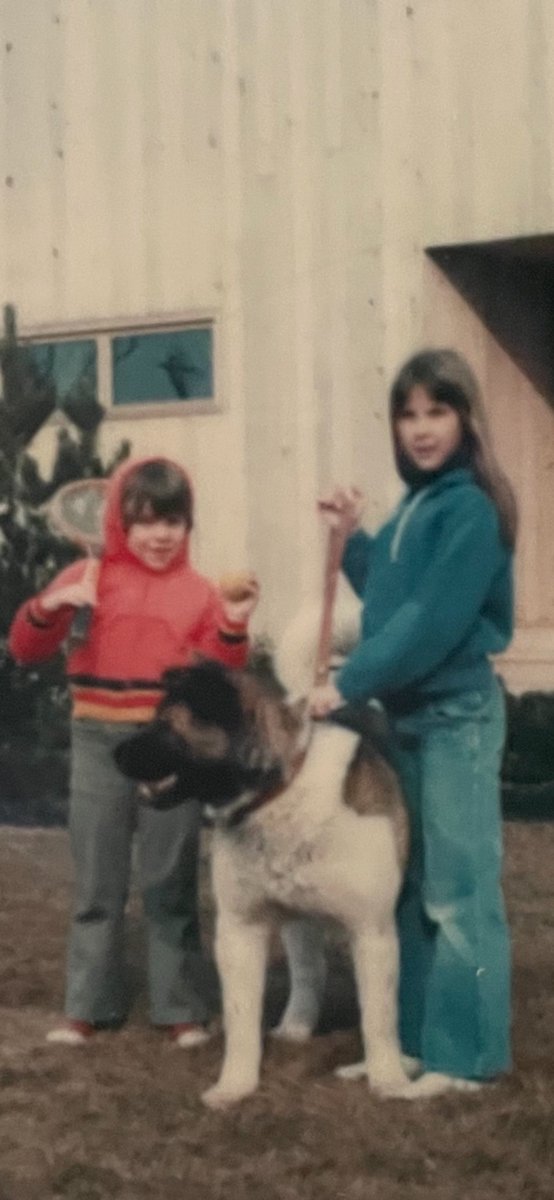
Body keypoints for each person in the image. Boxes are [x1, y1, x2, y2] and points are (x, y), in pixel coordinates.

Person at [310, 348, 517, 1098]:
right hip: (409, 721)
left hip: (456, 717)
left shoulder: (472, 508)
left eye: (437, 411)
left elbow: (431, 622)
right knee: (409, 886)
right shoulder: (418, 507)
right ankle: (410, 1048)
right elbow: (395, 598)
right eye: (408, 413)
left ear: (465, 418)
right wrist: (354, 538)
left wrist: (349, 682)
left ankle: (469, 1059)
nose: (421, 428)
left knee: (459, 892)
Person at [9, 456, 259, 1047]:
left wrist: (232, 626)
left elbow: (219, 675)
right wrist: (54, 604)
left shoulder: (200, 593)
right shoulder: (86, 577)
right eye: (145, 521)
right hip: (97, 740)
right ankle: (87, 1005)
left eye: (173, 521)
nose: (160, 535)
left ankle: (180, 1007)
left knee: (169, 876)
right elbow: (25, 647)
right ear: (120, 523)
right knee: (98, 876)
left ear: (188, 525)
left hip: (169, 744)